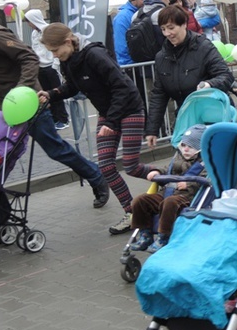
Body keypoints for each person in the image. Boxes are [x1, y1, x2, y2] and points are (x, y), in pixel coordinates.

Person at [0, 1, 110, 210]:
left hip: (25, 103)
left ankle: (96, 177)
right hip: (1, 104)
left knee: (55, 149)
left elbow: (28, 57)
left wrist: (21, 92)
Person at [40, 22, 157, 235]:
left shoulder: (94, 55)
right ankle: (132, 213)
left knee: (131, 166)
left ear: (68, 41)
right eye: (51, 53)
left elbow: (121, 86)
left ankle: (166, 177)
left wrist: (111, 123)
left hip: (129, 109)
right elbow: (73, 86)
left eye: (56, 50)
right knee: (106, 167)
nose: (55, 56)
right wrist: (51, 94)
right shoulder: (69, 61)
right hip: (108, 113)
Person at [144, 5, 234, 148]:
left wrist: (209, 84)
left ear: (184, 24)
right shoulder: (161, 57)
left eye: (171, 27)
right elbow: (159, 95)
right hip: (187, 120)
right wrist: (152, 130)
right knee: (186, 165)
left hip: (213, 117)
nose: (167, 33)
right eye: (163, 29)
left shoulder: (203, 46)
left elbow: (225, 75)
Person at [130, 124, 207, 252]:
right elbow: (167, 170)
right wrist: (156, 172)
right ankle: (145, 234)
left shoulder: (203, 162)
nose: (186, 149)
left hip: (186, 197)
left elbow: (205, 180)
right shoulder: (177, 157)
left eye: (191, 147)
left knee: (169, 202)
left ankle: (163, 236)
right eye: (184, 145)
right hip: (166, 191)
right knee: (140, 200)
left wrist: (189, 184)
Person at [25, 9, 69, 129]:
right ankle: (54, 118)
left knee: (57, 92)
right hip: (40, 66)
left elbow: (55, 46)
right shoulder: (34, 33)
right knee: (46, 93)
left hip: (51, 66)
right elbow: (35, 49)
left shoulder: (49, 30)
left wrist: (55, 63)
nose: (28, 24)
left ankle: (63, 118)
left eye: (29, 21)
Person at [112, 0, 148, 67]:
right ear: (133, 0)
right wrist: (131, 65)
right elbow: (121, 45)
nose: (146, 1)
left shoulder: (141, 13)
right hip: (129, 65)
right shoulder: (122, 17)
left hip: (138, 64)